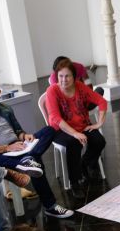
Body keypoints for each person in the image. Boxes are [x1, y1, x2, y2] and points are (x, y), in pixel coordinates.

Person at [0, 74, 73, 218]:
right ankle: (50, 206)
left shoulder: (5, 108)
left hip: (19, 146)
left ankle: (28, 159)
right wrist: (7, 148)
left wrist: (24, 136)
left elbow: (17, 130)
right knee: (36, 164)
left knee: (50, 129)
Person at [45, 58, 107, 198]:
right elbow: (55, 117)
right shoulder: (52, 91)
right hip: (59, 129)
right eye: (60, 76)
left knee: (99, 141)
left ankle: (84, 164)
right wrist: (74, 133)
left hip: (81, 125)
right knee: (74, 143)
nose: (64, 80)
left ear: (74, 77)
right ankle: (75, 183)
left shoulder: (80, 86)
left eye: (67, 76)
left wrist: (99, 124)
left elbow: (101, 101)